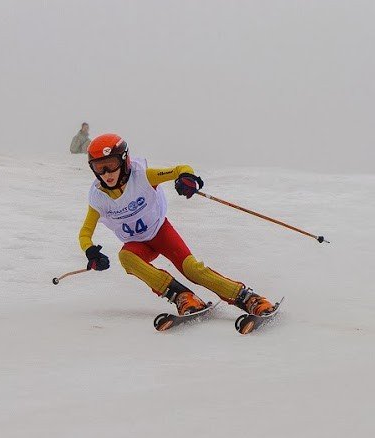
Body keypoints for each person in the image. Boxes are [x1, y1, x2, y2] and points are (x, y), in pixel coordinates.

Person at [78, 133, 276, 317]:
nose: (106, 173)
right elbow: (85, 233)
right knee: (126, 257)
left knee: (192, 269)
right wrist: (91, 252)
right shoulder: (99, 198)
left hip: (161, 233)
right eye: (99, 167)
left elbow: (180, 168)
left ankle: (249, 298)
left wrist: (186, 177)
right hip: (138, 244)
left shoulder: (143, 177)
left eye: (111, 164)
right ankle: (184, 298)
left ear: (124, 161)